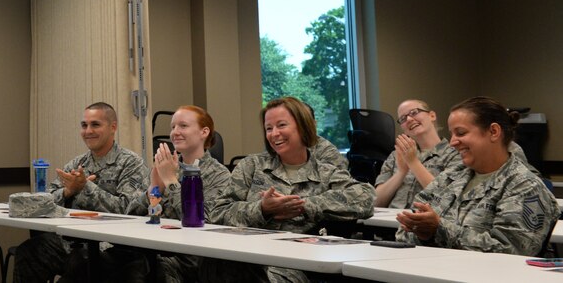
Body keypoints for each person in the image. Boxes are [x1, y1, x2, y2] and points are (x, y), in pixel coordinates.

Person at [205, 96, 376, 283]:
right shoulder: (252, 166)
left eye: (281, 125)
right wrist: (262, 209)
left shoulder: (325, 173)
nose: (274, 134)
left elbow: (365, 198)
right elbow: (217, 212)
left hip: (293, 265)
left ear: (303, 127)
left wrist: (305, 205)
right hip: (246, 257)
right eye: (268, 128)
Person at [395, 96, 559, 256]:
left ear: (494, 132)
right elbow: (403, 232)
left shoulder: (524, 186)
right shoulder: (452, 177)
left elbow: (512, 251)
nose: (452, 142)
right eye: (452, 134)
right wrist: (426, 234)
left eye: (460, 133)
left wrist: (438, 230)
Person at [13, 102, 148, 283]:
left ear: (113, 127)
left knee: (82, 264)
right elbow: (45, 201)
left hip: (112, 247)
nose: (88, 131)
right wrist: (68, 192)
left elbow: (128, 209)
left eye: (95, 125)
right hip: (72, 242)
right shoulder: (77, 164)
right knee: (30, 251)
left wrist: (86, 187)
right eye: (84, 125)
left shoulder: (130, 163)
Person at [126, 105, 232, 283]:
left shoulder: (220, 176)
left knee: (139, 269)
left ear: (204, 132)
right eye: (172, 127)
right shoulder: (166, 166)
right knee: (96, 261)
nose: (175, 132)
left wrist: (171, 182)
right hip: (152, 246)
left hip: (189, 258)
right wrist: (154, 188)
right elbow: (131, 215)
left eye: (183, 126)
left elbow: (204, 221)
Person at [375, 99, 459, 208]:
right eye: (403, 119)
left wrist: (413, 162)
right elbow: (375, 202)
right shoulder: (396, 155)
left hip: (424, 223)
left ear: (432, 116)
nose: (409, 119)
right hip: (386, 222)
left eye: (414, 112)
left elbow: (445, 199)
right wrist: (401, 172)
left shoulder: (454, 154)